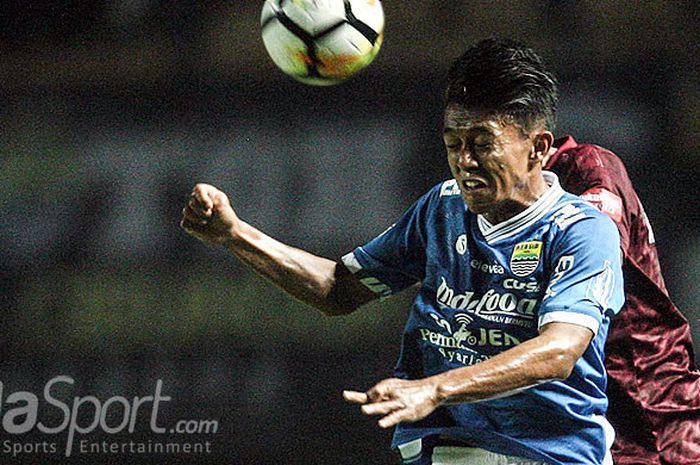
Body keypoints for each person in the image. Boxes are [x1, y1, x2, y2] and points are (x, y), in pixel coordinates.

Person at [180, 38, 625, 465]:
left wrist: (434, 389)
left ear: (538, 148)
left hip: (552, 454)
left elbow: (559, 350)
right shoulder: (441, 209)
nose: (464, 161)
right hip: (448, 448)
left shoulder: (581, 230)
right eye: (454, 143)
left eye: (483, 144)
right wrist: (235, 235)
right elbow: (338, 289)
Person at [544, 138, 700, 464]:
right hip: (597, 402)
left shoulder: (589, 171)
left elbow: (597, 264)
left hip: (647, 400)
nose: (468, 160)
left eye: (482, 143)